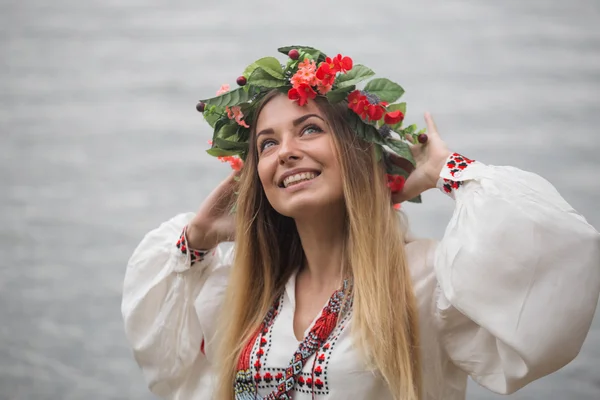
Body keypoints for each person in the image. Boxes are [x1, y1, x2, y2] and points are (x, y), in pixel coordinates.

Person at [121, 46, 600, 400]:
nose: (285, 150)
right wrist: (199, 237)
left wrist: (447, 171)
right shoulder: (253, 288)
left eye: (309, 129)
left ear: (355, 154)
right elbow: (171, 367)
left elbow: (559, 257)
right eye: (266, 144)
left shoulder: (425, 276)